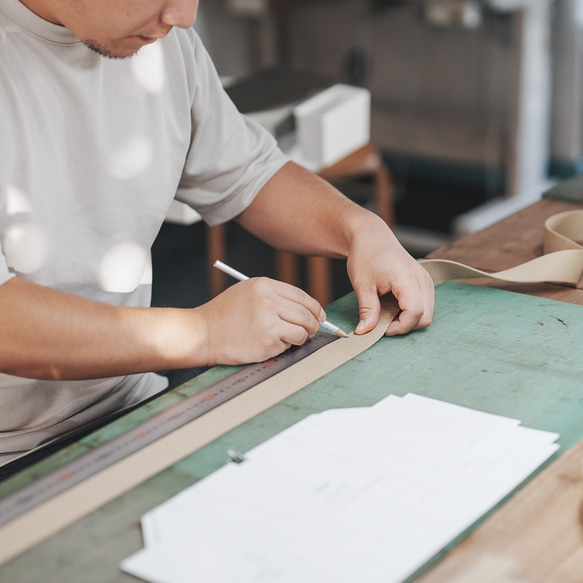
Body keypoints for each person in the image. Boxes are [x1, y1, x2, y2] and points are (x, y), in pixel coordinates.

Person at [0, 0, 434, 471]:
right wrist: (203, 333)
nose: (183, 17)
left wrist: (360, 229)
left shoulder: (162, 39)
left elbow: (247, 173)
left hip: (128, 406)